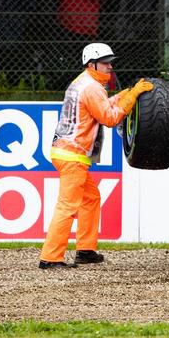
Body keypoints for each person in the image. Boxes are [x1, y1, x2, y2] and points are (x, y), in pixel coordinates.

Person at [39, 43, 153, 269]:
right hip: (72, 155)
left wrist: (124, 94)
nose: (110, 67)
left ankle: (86, 250)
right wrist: (133, 96)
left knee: (90, 199)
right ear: (92, 65)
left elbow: (100, 107)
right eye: (106, 63)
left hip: (67, 153)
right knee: (68, 206)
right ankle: (50, 258)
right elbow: (109, 118)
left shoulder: (85, 83)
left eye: (111, 62)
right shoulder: (92, 87)